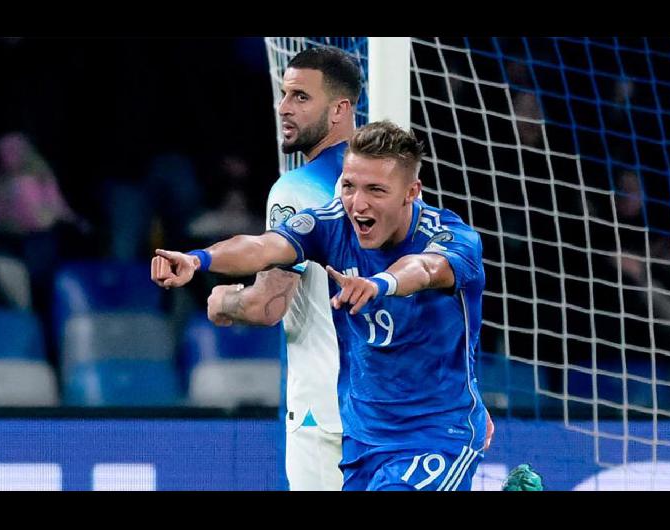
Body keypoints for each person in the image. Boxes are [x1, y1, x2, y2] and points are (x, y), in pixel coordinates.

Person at [152, 121, 491, 490]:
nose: (357, 203)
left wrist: (380, 284)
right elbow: (264, 247)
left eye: (375, 190)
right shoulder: (331, 223)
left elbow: (426, 269)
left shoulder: (450, 237)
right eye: (348, 186)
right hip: (363, 440)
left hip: (435, 434)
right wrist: (199, 260)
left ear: (411, 192)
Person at [187, 46, 362, 491]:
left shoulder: (295, 188)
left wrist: (225, 300)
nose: (283, 107)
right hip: (391, 411)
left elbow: (269, 303)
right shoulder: (391, 183)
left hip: (324, 416)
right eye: (284, 95)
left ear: (341, 108)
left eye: (301, 97)